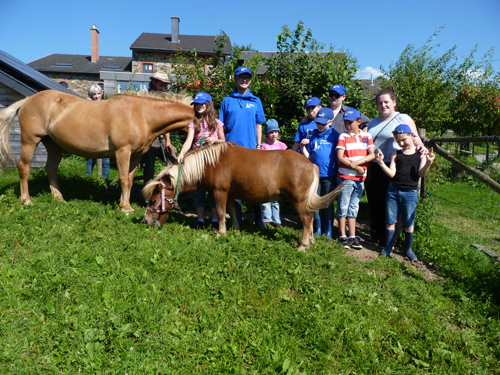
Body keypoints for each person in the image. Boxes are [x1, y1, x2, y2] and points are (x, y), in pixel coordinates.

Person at [365, 87, 429, 247]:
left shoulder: (403, 118)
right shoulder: (373, 122)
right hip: (374, 165)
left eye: (386, 102)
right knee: (375, 201)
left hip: (394, 164)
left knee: (391, 203)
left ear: (394, 102)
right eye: (379, 103)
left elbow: (415, 138)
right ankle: (375, 234)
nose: (383, 105)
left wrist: (422, 149)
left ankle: (390, 239)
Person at [375, 125, 435, 260]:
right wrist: (380, 163)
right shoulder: (395, 154)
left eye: (403, 140)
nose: (401, 143)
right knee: (390, 221)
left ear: (412, 136)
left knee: (408, 222)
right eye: (398, 141)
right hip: (393, 191)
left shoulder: (421, 155)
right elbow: (391, 174)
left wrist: (428, 163)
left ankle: (408, 250)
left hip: (410, 193)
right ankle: (388, 248)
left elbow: (421, 173)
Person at [219, 66, 266, 228]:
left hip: (251, 151)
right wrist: (223, 145)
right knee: (234, 187)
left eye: (247, 77)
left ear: (251, 80)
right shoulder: (227, 101)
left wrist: (259, 145)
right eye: (241, 77)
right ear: (236, 79)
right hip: (231, 152)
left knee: (256, 184)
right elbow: (221, 126)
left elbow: (259, 124)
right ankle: (236, 221)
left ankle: (259, 220)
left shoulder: (256, 101)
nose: (244, 80)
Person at [177, 92, 225, 230]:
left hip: (214, 161)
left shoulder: (217, 123)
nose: (199, 106)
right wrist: (181, 154)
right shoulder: (194, 123)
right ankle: (200, 220)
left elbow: (224, 141)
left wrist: (215, 140)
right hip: (198, 162)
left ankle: (215, 220)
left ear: (209, 105)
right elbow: (188, 142)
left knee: (213, 191)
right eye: (197, 104)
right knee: (199, 192)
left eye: (202, 103)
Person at [336, 109, 375, 249]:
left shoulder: (367, 136)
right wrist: (354, 167)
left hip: (359, 178)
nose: (347, 126)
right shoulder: (343, 137)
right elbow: (340, 157)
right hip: (346, 177)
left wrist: (357, 165)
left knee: (354, 207)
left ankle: (352, 235)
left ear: (359, 122)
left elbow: (372, 154)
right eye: (345, 123)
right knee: (343, 205)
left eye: (350, 123)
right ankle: (342, 235)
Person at [300, 107, 340, 239]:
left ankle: (328, 229)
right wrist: (302, 147)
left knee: (327, 203)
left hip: (329, 175)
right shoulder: (311, 134)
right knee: (314, 202)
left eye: (323, 123)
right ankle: (317, 228)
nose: (320, 125)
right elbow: (309, 158)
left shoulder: (335, 136)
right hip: (314, 176)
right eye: (318, 122)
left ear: (330, 121)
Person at [142, 71, 175, 183]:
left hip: (161, 137)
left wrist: (168, 141)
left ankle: (173, 189)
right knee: (149, 167)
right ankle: (148, 194)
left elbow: (166, 122)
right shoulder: (144, 95)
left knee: (173, 160)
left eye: (165, 86)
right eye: (161, 85)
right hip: (148, 138)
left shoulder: (164, 99)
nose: (163, 89)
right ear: (154, 82)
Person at [260, 119, 288, 228]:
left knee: (276, 200)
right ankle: (266, 220)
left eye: (275, 132)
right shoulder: (264, 146)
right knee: (265, 199)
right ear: (267, 134)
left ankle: (277, 221)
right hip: (266, 176)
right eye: (271, 132)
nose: (274, 134)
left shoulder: (282, 146)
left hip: (277, 177)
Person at [85, 84, 110, 180]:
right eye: (94, 94)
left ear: (101, 94)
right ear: (91, 96)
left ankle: (105, 181)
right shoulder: (88, 105)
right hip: (93, 137)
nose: (97, 96)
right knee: (91, 159)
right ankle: (87, 179)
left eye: (98, 93)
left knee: (106, 160)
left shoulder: (105, 104)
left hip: (104, 136)